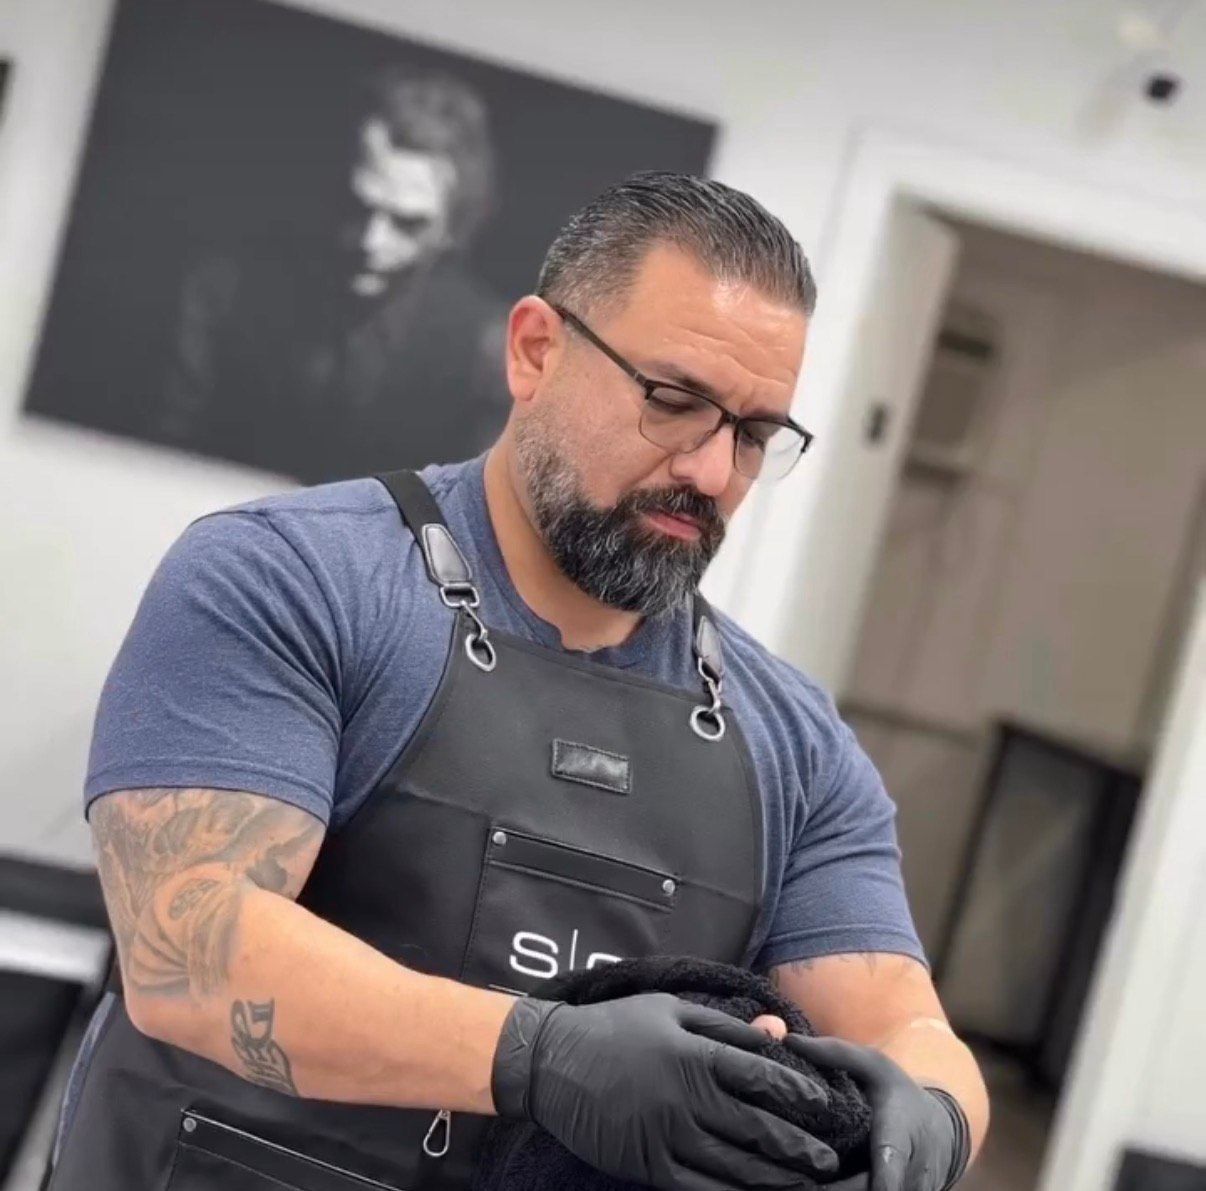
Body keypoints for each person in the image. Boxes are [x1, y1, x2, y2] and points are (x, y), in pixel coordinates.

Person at [50, 172, 988, 1191]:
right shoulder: (294, 581)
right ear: (536, 350)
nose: (714, 474)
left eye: (756, 436)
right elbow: (187, 951)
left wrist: (930, 1117)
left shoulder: (793, 742)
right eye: (674, 403)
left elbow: (897, 1008)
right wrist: (540, 1058)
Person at [159, 66, 509, 482]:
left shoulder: (491, 350)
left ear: (453, 228)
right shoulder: (220, 292)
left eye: (408, 224)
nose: (370, 241)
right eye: (358, 207)